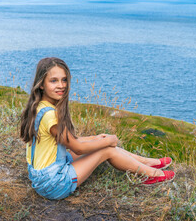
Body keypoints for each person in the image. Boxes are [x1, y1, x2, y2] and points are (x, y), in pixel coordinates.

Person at [19, 57, 175, 200]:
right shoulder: (51, 116)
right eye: (54, 81)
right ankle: (152, 174)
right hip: (53, 184)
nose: (61, 85)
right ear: (41, 84)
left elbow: (71, 141)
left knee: (100, 140)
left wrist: (99, 138)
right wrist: (110, 140)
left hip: (43, 175)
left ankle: (147, 162)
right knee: (107, 149)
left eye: (64, 80)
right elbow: (78, 148)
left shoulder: (40, 107)